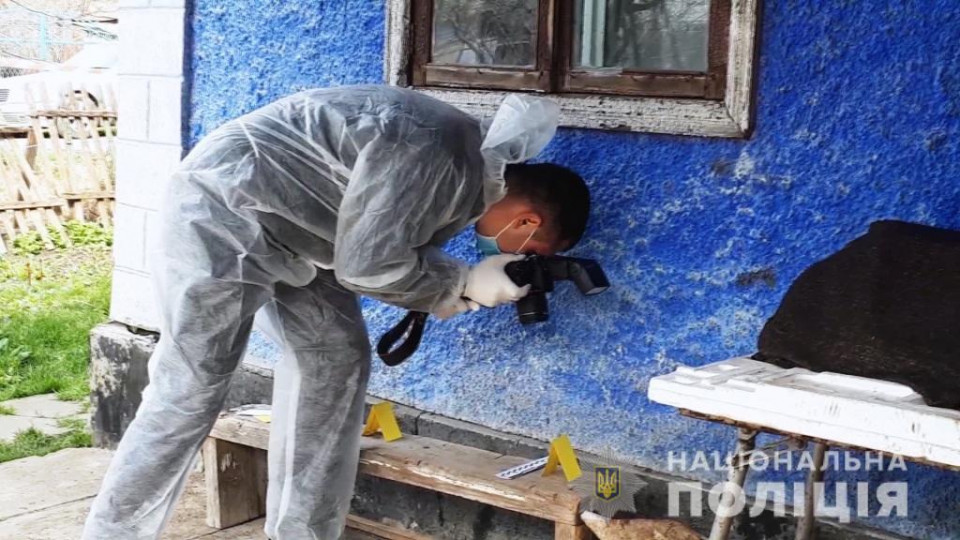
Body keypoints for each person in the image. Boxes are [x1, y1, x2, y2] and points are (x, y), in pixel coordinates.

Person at [82, 85, 591, 539]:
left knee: (335, 362)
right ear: (527, 220)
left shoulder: (464, 171)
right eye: (532, 249)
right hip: (226, 211)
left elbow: (378, 241)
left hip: (306, 235)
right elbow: (369, 264)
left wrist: (456, 284)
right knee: (190, 386)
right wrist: (459, 281)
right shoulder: (439, 155)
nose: (518, 257)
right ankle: (113, 534)